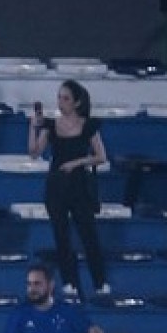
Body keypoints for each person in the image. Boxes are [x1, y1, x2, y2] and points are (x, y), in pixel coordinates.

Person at [29, 81, 110, 297]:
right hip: (57, 185)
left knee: (88, 234)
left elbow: (101, 157)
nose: (61, 102)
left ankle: (100, 281)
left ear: (77, 102)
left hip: (79, 185)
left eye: (66, 98)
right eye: (59, 97)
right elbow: (34, 152)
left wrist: (77, 163)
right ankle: (70, 282)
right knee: (61, 236)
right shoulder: (51, 125)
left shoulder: (88, 125)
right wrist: (33, 127)